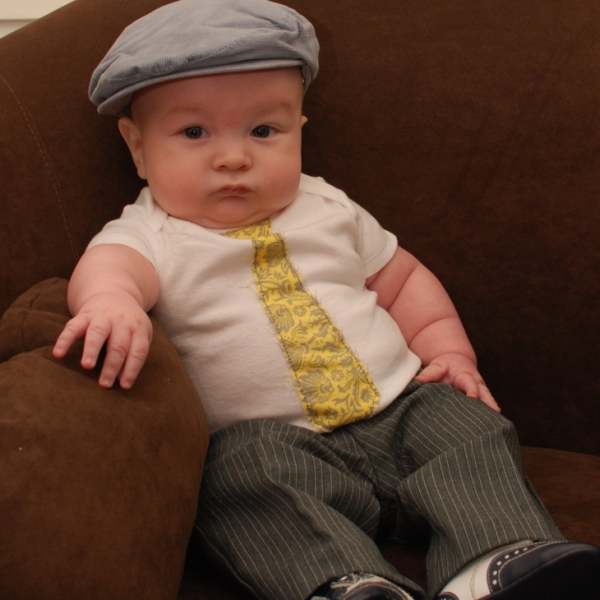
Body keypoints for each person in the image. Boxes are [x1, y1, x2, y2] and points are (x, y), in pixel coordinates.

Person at [52, 1, 600, 599]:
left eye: (264, 131)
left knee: (473, 429)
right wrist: (112, 301)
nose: (234, 157)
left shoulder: (328, 206)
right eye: (194, 132)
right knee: (235, 479)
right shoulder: (151, 232)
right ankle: (345, 583)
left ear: (299, 130)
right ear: (137, 147)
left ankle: (493, 563)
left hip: (400, 410)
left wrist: (450, 353)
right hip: (276, 446)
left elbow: (403, 280)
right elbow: (110, 268)